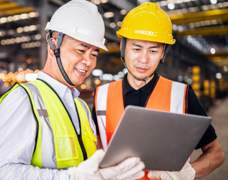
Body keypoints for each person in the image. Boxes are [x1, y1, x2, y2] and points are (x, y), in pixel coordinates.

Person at [0, 0, 145, 180]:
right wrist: (72, 177)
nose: (88, 62)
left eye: (94, 54)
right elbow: (3, 174)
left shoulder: (81, 107)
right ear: (53, 47)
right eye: (81, 50)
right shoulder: (24, 99)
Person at [93, 2, 225, 180]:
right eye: (137, 48)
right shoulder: (101, 96)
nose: (144, 59)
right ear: (123, 46)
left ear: (163, 53)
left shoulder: (182, 95)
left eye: (153, 51)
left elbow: (216, 153)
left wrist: (190, 172)